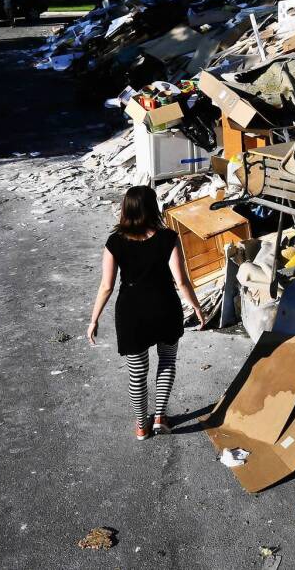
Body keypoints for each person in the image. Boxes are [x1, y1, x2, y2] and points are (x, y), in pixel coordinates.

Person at [87, 185, 206, 440]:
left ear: (126, 209)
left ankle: (142, 425)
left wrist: (94, 319)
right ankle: (160, 416)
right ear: (153, 208)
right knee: (167, 361)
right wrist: (196, 306)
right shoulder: (168, 238)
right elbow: (182, 282)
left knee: (137, 372)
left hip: (132, 313)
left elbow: (106, 285)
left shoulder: (114, 242)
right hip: (165, 307)